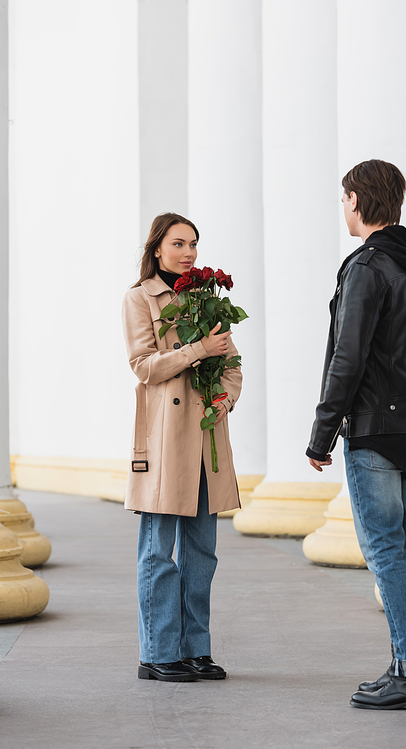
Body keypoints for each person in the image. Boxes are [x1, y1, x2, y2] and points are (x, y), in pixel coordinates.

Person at [307, 160, 406, 710]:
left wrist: (322, 433)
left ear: (359, 201)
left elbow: (349, 357)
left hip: (376, 430)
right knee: (402, 552)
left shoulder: (366, 267)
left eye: (344, 199)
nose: (343, 208)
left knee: (386, 552)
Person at [122, 212, 242, 682]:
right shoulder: (140, 298)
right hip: (166, 439)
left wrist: (225, 398)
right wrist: (197, 351)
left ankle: (196, 649)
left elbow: (231, 362)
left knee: (202, 553)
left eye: (193, 243)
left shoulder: (206, 298)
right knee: (158, 551)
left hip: (207, 435)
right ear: (157, 249)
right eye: (179, 243)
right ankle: (157, 652)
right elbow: (143, 366)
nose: (189, 252)